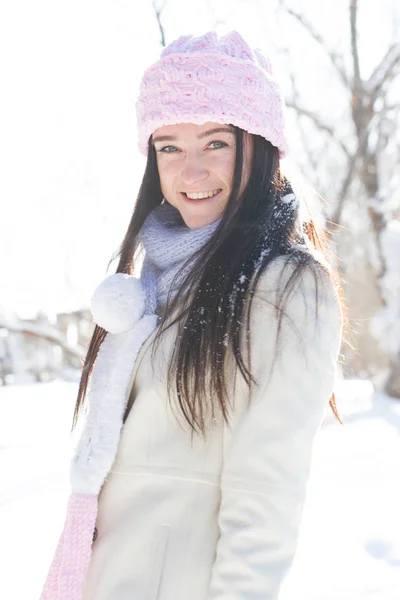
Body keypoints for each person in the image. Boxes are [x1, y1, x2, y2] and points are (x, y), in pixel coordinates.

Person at [40, 30, 344, 600]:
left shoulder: (284, 285)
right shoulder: (152, 282)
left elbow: (266, 497)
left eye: (216, 143)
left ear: (261, 148)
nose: (191, 172)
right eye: (169, 147)